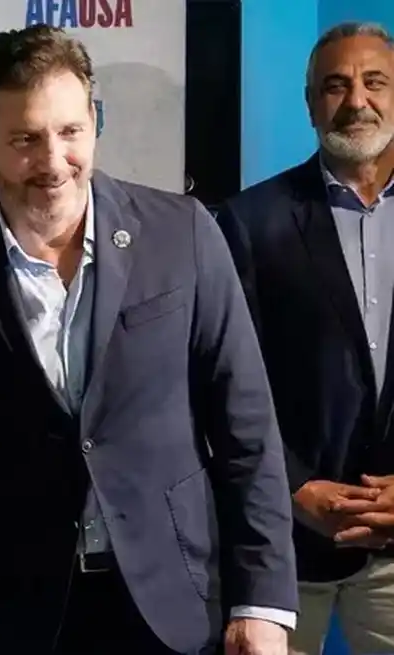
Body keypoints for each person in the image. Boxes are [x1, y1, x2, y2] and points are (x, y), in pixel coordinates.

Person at [0, 25, 297, 654]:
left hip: (178, 605)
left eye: (70, 132)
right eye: (26, 140)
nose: (54, 161)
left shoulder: (183, 235)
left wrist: (261, 604)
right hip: (19, 617)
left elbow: (247, 431)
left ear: (93, 121)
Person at [215, 21, 394, 654]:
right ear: (310, 102)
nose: (356, 101)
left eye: (375, 82)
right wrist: (292, 487)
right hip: (283, 548)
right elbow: (221, 382)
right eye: (336, 86)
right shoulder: (247, 221)